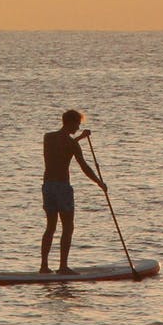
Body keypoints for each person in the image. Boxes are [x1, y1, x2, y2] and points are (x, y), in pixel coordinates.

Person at [41, 109, 106, 274]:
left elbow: (63, 145)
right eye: (77, 124)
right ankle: (63, 266)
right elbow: (84, 167)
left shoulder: (48, 138)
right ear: (70, 122)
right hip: (62, 187)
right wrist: (99, 182)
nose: (77, 127)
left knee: (50, 227)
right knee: (68, 227)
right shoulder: (72, 144)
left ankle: (44, 266)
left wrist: (79, 139)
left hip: (48, 186)